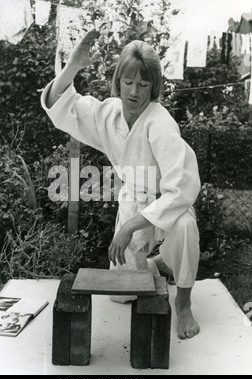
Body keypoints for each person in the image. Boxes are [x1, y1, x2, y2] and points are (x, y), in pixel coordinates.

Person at [41, 29, 201, 340]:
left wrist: (128, 228)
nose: (134, 92)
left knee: (184, 229)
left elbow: (181, 188)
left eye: (143, 84)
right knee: (124, 294)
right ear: (118, 82)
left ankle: (183, 301)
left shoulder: (161, 122)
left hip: (169, 207)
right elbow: (61, 107)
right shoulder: (109, 114)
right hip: (134, 204)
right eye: (128, 82)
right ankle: (157, 264)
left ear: (153, 87)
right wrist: (73, 65)